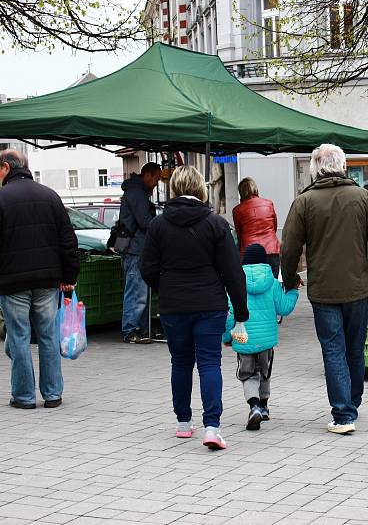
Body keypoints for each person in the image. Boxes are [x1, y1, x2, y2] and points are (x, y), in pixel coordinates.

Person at [281, 144, 368, 435]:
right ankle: (351, 402)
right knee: (355, 349)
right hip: (357, 286)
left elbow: (290, 246)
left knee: (333, 349)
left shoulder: (304, 202)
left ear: (315, 169)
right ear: (343, 166)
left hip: (323, 290)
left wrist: (291, 278)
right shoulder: (362, 197)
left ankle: (343, 413)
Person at [139, 166, 248, 450]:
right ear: (201, 188)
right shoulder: (216, 224)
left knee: (181, 362)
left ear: (174, 188)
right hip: (210, 304)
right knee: (209, 363)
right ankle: (212, 426)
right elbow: (233, 272)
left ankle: (183, 423)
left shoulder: (158, 225)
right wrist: (241, 313)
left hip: (173, 305)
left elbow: (146, 268)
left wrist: (165, 287)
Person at [0, 150, 79, 409]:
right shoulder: (50, 196)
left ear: (5, 168)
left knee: (19, 336)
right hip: (47, 281)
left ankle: (23, 397)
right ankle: (53, 394)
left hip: (12, 283)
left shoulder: (2, 198)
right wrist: (69, 276)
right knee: (48, 335)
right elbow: (68, 240)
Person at [224, 244, 298, 431]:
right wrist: (293, 290)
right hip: (267, 342)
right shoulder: (272, 283)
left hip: (244, 340)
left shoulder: (236, 284)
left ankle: (254, 406)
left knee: (248, 374)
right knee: (265, 372)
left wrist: (226, 336)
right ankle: (264, 407)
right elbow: (284, 308)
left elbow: (229, 315)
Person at [119, 162, 161, 344]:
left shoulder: (137, 192)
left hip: (137, 247)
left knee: (140, 290)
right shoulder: (137, 194)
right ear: (148, 175)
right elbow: (144, 221)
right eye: (157, 179)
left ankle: (143, 328)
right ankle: (131, 329)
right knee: (137, 291)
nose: (157, 183)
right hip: (135, 248)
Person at [232, 177, 280, 278]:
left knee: (251, 287)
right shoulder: (268, 204)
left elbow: (239, 235)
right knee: (272, 285)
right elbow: (274, 227)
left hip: (249, 254)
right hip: (271, 251)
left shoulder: (237, 210)